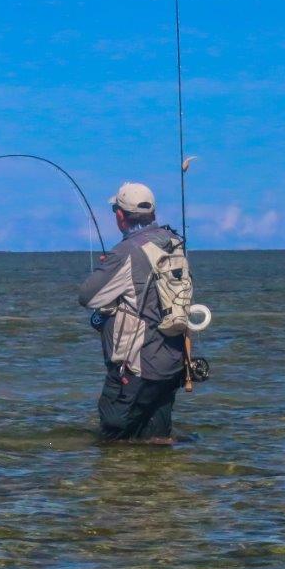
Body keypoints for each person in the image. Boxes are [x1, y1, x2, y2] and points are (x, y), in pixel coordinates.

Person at [78, 182, 186, 443]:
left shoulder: (125, 252)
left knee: (113, 439)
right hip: (171, 362)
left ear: (120, 216)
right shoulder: (174, 243)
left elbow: (87, 296)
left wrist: (109, 269)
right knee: (157, 440)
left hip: (135, 366)